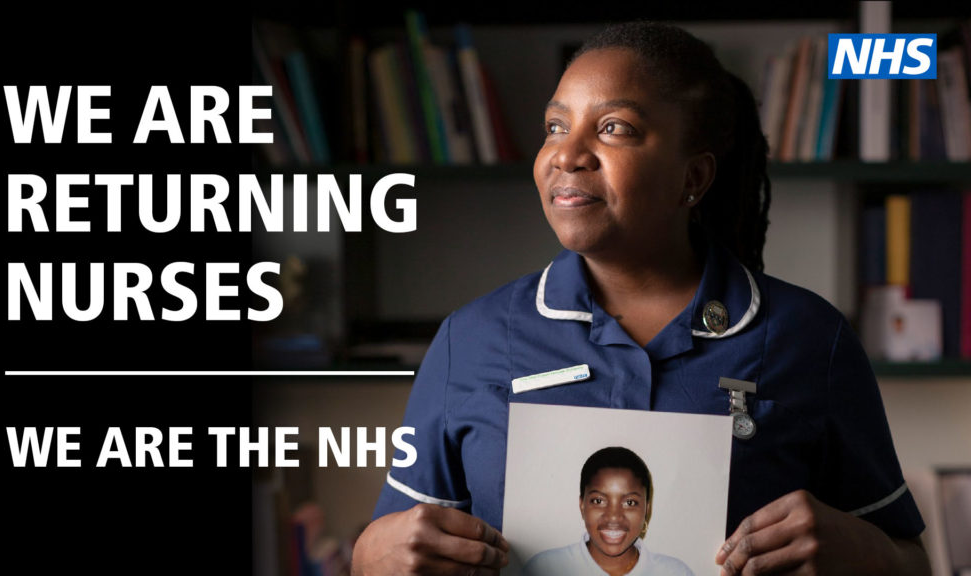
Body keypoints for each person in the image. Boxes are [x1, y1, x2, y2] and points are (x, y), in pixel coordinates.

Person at [351, 22, 930, 576]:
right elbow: (396, 546)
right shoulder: (469, 339)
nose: (567, 154)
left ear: (693, 177)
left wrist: (867, 555)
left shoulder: (810, 338)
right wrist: (369, 556)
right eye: (555, 126)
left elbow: (911, 561)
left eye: (614, 128)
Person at [523, 447, 694, 576]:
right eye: (598, 501)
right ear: (582, 506)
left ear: (647, 510)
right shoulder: (543, 568)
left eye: (630, 502)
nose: (614, 517)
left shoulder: (675, 572)